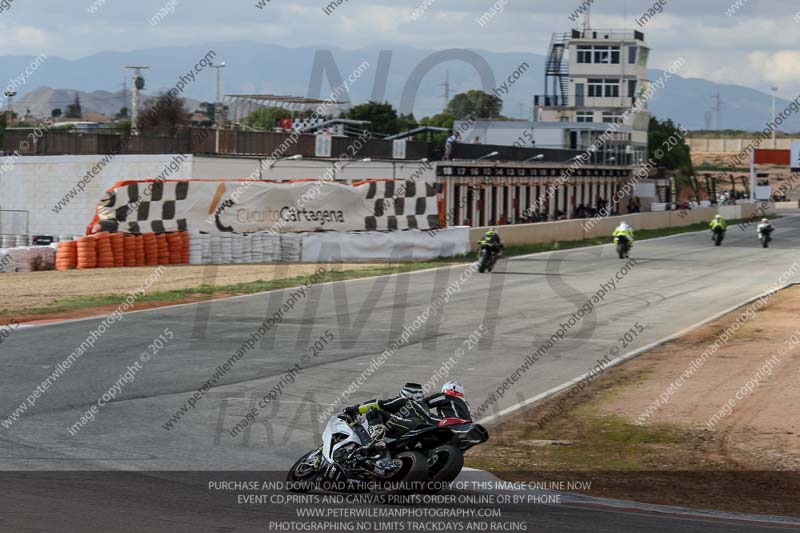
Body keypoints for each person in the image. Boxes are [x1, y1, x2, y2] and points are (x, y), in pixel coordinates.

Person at [344, 383, 434, 449]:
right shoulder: (425, 409)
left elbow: (378, 404)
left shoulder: (405, 401)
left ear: (406, 394)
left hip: (411, 425)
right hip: (425, 430)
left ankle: (377, 440)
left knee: (374, 411)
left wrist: (353, 409)